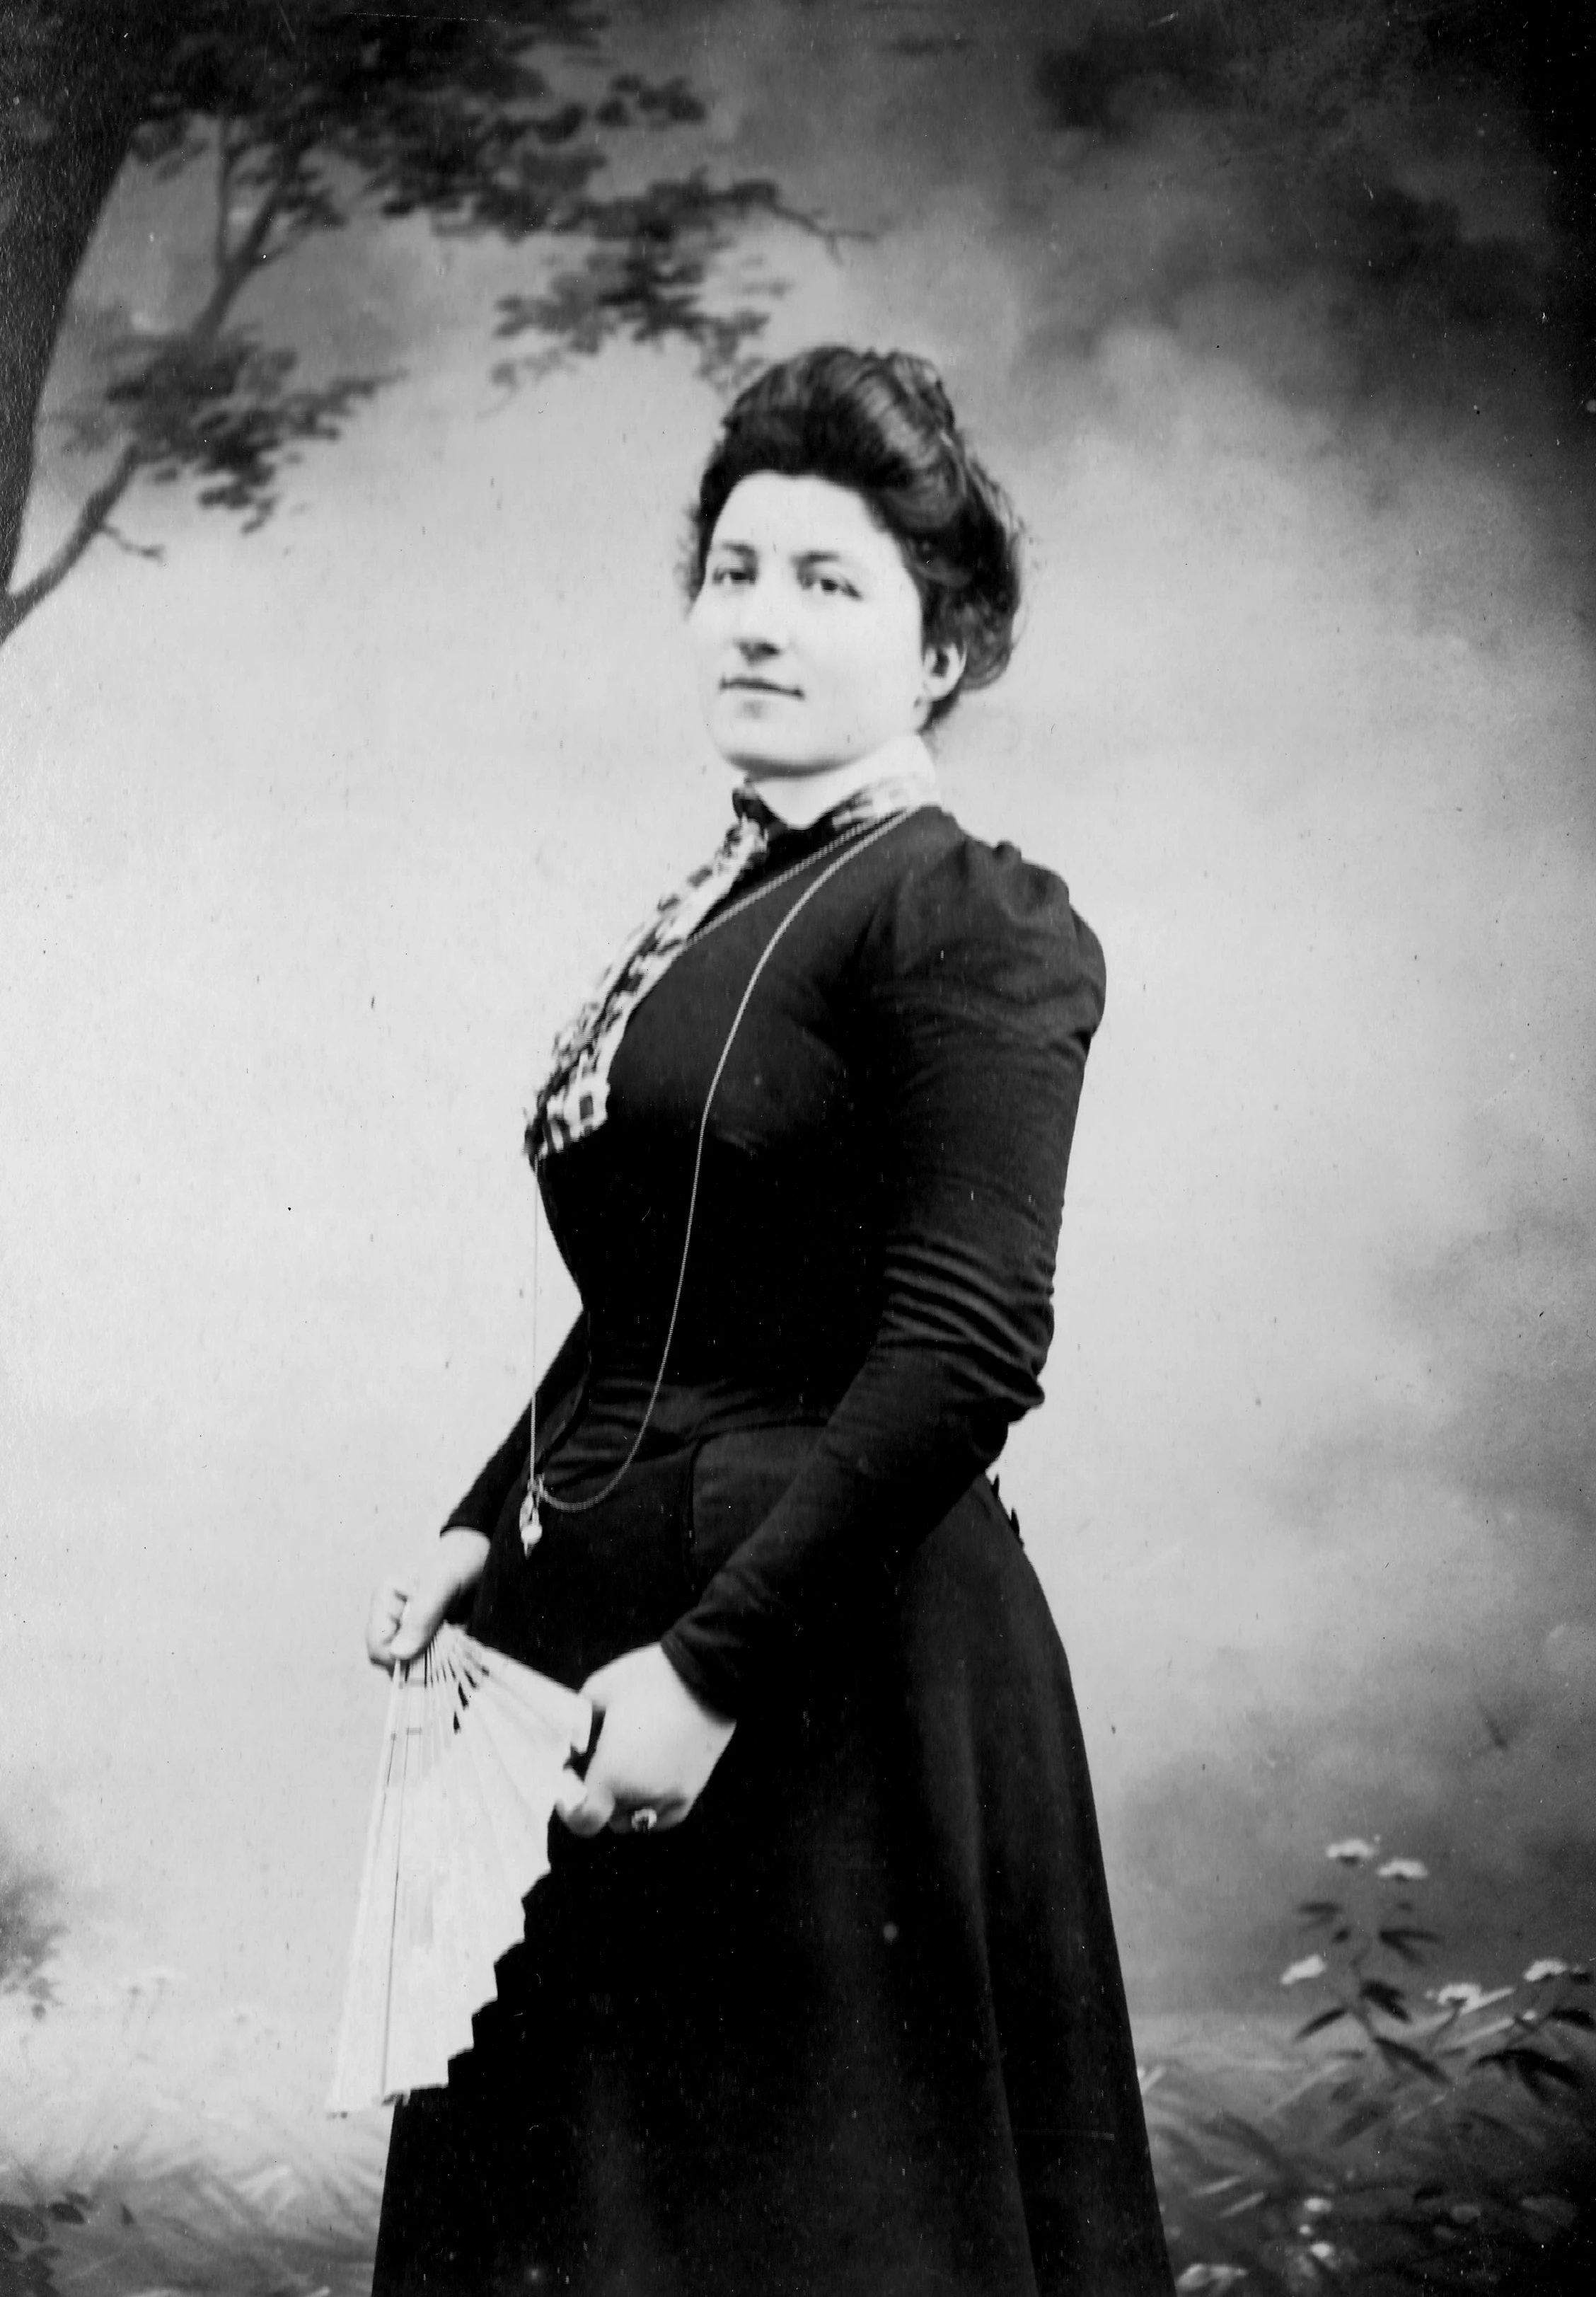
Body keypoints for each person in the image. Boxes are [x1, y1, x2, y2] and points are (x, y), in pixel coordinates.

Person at [364, 345, 1174, 2296]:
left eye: (828, 582)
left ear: (942, 649)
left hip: (818, 1670)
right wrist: (481, 1518)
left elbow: (967, 1343)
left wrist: (712, 1673)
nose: (760, 618)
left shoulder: (965, 914)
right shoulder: (729, 901)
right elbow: (663, 1285)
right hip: (603, 1651)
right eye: (735, 571)